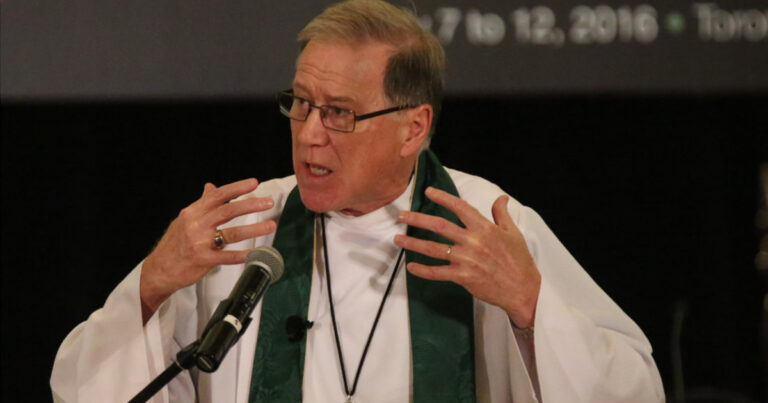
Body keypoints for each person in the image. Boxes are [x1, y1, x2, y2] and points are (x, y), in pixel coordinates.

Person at [51, 1, 664, 402]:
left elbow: (634, 389)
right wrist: (154, 284)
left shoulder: (486, 225)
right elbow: (82, 388)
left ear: (412, 128)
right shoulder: (242, 229)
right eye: (300, 103)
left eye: (339, 113)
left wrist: (530, 307)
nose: (309, 132)